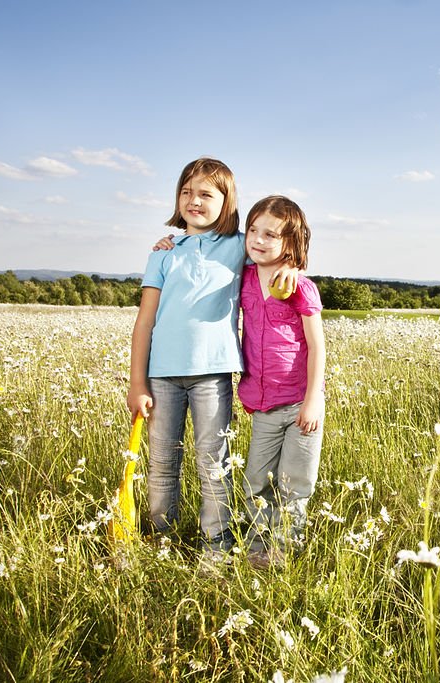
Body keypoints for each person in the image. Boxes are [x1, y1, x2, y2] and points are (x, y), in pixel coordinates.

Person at [127, 157, 296, 559]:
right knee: (163, 463)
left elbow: (271, 249)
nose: (194, 200)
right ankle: (159, 541)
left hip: (213, 376)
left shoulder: (239, 246)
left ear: (226, 201)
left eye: (206, 193)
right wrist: (137, 383)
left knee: (213, 464)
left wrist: (289, 261)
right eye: (187, 192)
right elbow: (144, 322)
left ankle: (215, 546)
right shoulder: (164, 254)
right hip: (162, 376)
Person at [238, 195, 325, 569]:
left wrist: (314, 399)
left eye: (270, 234)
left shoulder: (299, 287)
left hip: (299, 404)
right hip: (262, 404)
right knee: (256, 480)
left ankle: (283, 552)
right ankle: (257, 550)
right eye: (253, 230)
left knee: (295, 483)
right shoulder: (241, 277)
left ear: (290, 243)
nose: (258, 239)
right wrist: (172, 243)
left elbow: (317, 345)